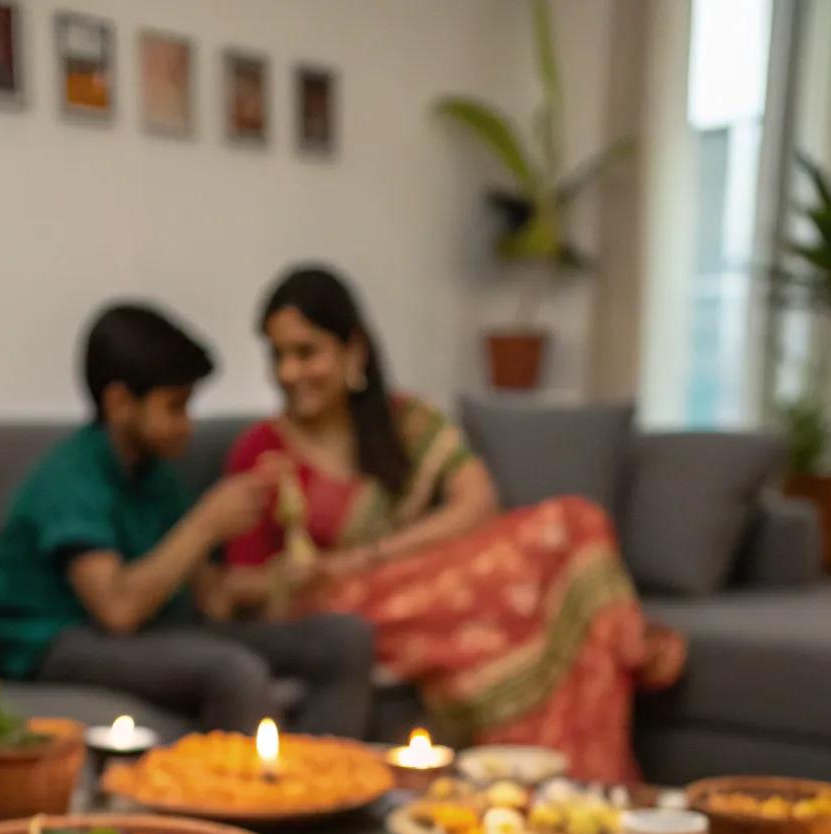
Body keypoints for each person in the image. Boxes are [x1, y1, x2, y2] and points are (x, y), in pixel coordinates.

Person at [217, 266, 682, 781]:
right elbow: (239, 587)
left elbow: (478, 502)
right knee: (529, 579)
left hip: (415, 583)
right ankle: (626, 649)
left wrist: (371, 557)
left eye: (306, 353)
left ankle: (582, 775)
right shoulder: (263, 451)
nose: (288, 372)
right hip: (344, 609)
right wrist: (302, 574)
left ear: (353, 351)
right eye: (277, 355)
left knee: (576, 522)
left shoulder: (402, 422)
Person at [0, 303, 374, 737]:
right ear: (119, 403)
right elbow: (117, 610)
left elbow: (210, 602)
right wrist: (206, 522)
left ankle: (327, 788)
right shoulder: (70, 478)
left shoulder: (156, 475)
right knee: (232, 671)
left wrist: (284, 576)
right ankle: (269, 796)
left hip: (154, 628)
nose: (187, 425)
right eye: (175, 406)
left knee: (345, 639)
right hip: (56, 640)